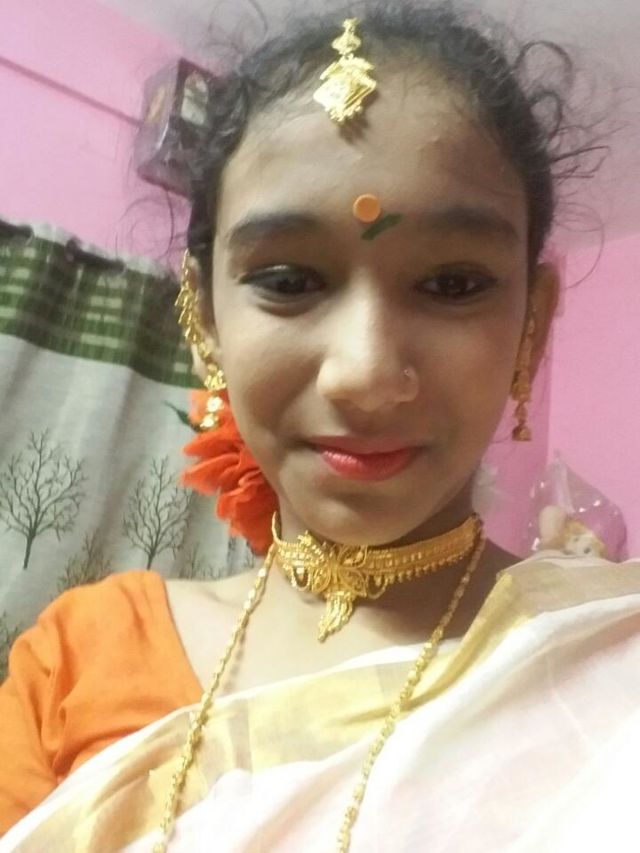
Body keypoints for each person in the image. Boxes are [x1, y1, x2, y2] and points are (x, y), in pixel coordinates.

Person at [1, 3, 639, 851]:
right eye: (289, 279)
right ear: (205, 315)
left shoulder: (610, 668)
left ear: (532, 323)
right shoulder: (83, 655)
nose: (365, 373)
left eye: (452, 285)